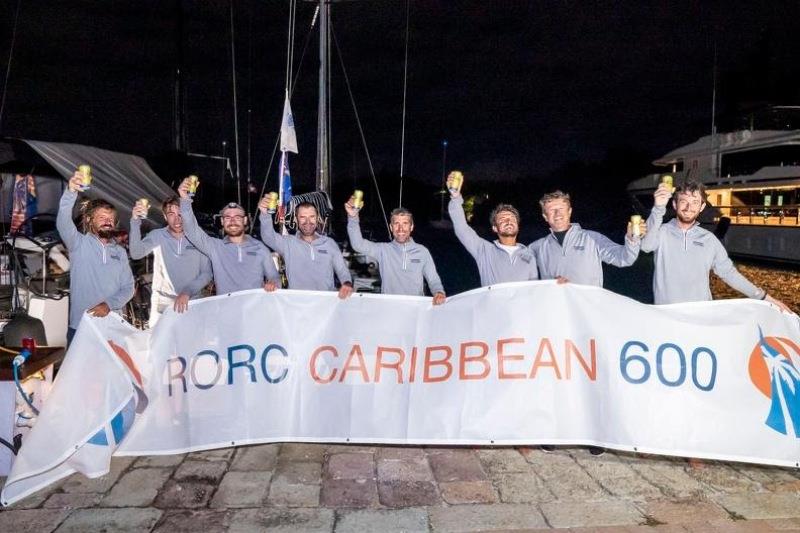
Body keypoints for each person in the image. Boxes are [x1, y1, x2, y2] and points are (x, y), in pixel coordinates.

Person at [641, 180, 790, 311]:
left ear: (701, 206)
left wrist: (765, 298)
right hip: (667, 315)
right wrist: (658, 208)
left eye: (694, 202)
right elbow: (646, 246)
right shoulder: (662, 232)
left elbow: (729, 274)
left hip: (702, 316)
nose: (688, 207)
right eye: (683, 201)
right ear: (674, 204)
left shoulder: (709, 239)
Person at [57, 172, 135, 344]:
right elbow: (63, 223)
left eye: (110, 219)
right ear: (89, 220)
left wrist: (108, 304)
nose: (107, 222)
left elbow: (129, 288)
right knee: (79, 372)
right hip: (82, 327)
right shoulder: (79, 244)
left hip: (114, 328)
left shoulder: (120, 253)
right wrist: (70, 192)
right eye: (102, 218)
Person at [177, 177, 280, 294]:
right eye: (227, 217)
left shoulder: (260, 248)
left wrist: (273, 283)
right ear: (222, 222)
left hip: (254, 309)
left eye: (237, 217)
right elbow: (191, 231)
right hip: (225, 309)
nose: (232, 221)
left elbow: (274, 276)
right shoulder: (215, 247)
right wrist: (185, 200)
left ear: (245, 220)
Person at [129, 196, 213, 327]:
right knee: (159, 345)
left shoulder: (199, 238)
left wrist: (187, 292)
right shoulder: (157, 235)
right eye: (171, 214)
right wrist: (135, 221)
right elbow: (136, 253)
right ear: (164, 216)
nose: (177, 219)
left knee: (192, 344)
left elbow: (207, 273)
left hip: (192, 301)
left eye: (180, 214)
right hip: (163, 303)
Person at [531, 190, 642, 286]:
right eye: (551, 210)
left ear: (569, 211)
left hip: (588, 307)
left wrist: (632, 239)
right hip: (556, 308)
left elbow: (624, 259)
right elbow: (520, 272)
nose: (557, 213)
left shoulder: (592, 238)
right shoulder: (537, 247)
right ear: (545, 216)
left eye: (561, 208)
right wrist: (549, 284)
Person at [345, 200, 446, 304]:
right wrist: (353, 217)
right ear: (391, 227)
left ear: (411, 227)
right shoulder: (383, 250)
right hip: (389, 306)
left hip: (415, 307)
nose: (400, 228)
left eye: (405, 223)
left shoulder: (422, 251)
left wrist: (439, 292)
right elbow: (358, 244)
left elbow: (433, 279)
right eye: (396, 223)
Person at [447, 176, 538, 286]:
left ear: (518, 226)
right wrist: (455, 197)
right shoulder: (484, 250)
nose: (508, 221)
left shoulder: (529, 256)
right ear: (495, 228)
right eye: (502, 219)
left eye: (512, 219)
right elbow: (461, 228)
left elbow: (534, 288)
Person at [259, 199, 353, 298]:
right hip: (296, 304)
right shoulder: (288, 243)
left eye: (312, 217)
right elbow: (268, 236)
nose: (308, 222)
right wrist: (265, 213)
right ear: (296, 219)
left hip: (326, 304)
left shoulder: (329, 243)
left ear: (317, 218)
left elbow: (342, 271)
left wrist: (347, 283)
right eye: (303, 217)